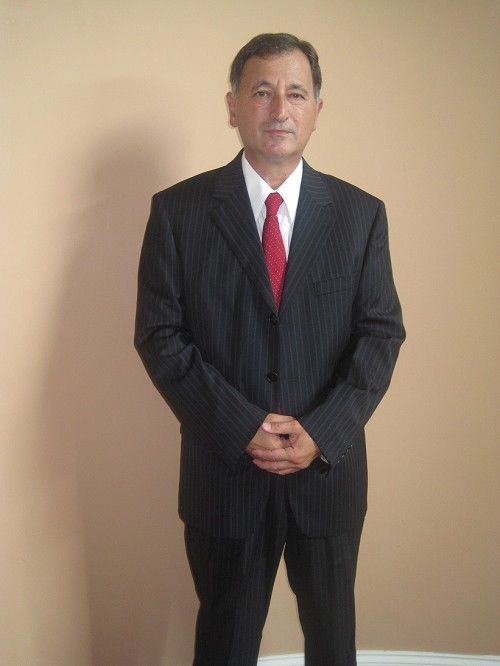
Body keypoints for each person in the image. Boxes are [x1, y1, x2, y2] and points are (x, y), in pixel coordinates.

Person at [135, 32, 405, 666]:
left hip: (327, 477)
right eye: (261, 92)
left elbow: (380, 333)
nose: (280, 109)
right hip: (225, 477)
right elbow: (160, 336)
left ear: (317, 109)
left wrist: (322, 431)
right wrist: (241, 427)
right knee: (224, 645)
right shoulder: (178, 212)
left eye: (296, 93)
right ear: (233, 106)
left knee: (333, 644)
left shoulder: (361, 215)